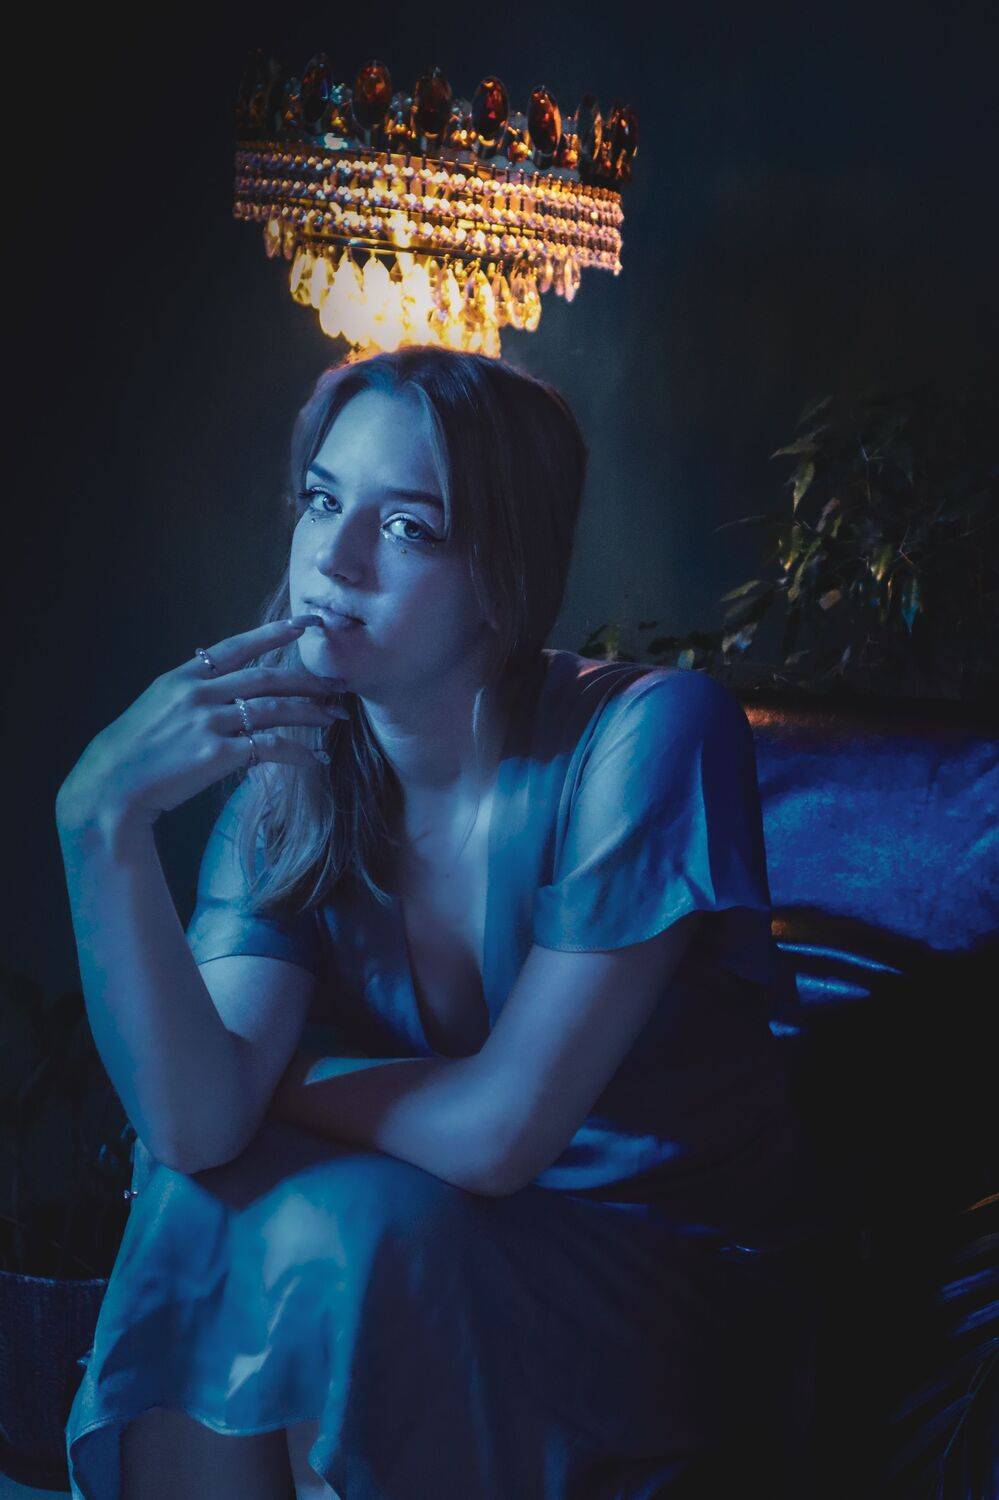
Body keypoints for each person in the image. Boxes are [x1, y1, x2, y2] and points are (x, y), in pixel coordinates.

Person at [56, 346, 826, 1500]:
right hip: (431, 1235)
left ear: (502, 575)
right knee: (202, 1198)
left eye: (409, 526)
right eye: (323, 501)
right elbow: (195, 1126)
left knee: (351, 1224)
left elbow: (498, 1132)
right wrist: (98, 823)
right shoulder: (294, 787)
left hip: (660, 1281)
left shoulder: (655, 733)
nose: (336, 558)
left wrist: (272, 1082)